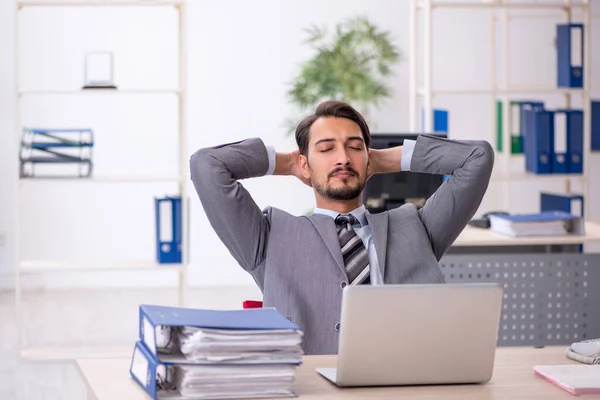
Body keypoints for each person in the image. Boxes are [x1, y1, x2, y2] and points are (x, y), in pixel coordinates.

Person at [190, 100, 494, 355]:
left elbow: (477, 158)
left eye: (354, 148)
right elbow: (206, 165)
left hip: (405, 385)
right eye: (326, 149)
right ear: (306, 164)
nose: (343, 158)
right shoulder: (269, 239)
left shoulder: (416, 227)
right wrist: (287, 163)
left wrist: (387, 159)